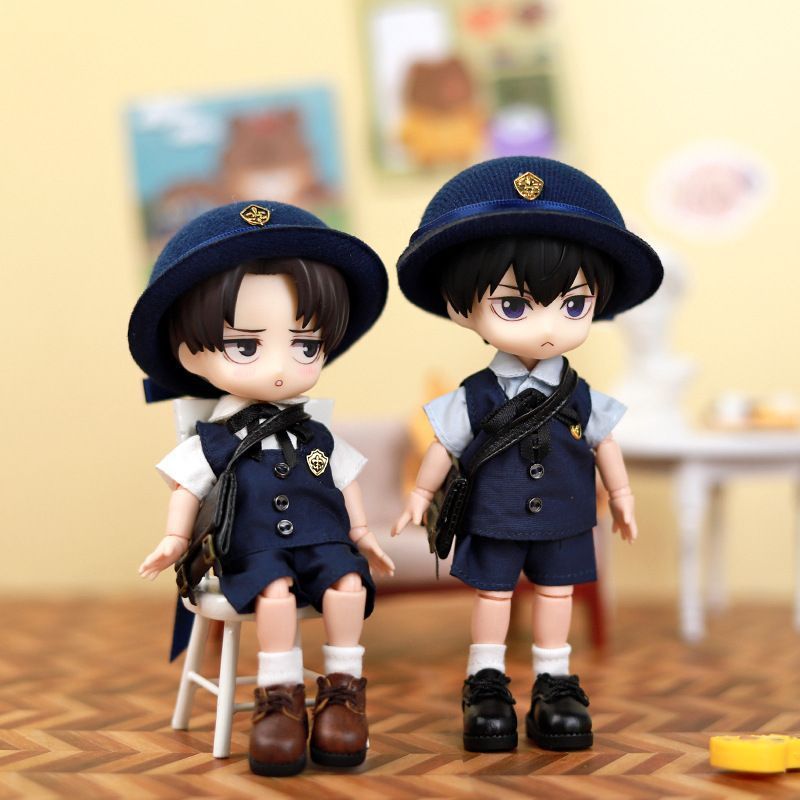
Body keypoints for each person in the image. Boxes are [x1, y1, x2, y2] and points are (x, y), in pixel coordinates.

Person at [392, 157, 663, 752]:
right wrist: (419, 496)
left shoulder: (581, 394)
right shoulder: (475, 394)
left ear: (598, 301)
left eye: (573, 305)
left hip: (565, 517)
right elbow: (444, 445)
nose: (547, 327)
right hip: (493, 517)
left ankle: (553, 681)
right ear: (461, 308)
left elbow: (605, 443)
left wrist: (622, 497)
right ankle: (485, 680)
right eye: (514, 306)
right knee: (493, 594)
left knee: (557, 594)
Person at [128, 201, 394, 776]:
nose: (280, 368)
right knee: (273, 593)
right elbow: (186, 490)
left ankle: (343, 690)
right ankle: (280, 698)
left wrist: (362, 534)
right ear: (188, 350)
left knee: (349, 582)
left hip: (323, 541)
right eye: (246, 346)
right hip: (252, 547)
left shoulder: (315, 432)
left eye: (305, 346)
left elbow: (343, 477)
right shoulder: (214, 439)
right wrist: (175, 541)